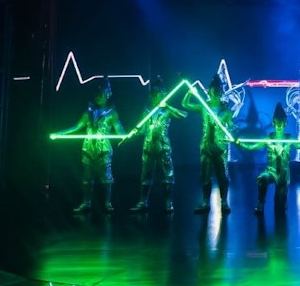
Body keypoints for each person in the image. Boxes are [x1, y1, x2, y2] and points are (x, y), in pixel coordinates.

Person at [55, 77, 126, 214]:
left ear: (107, 94)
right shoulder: (89, 111)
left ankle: (107, 202)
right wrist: (60, 133)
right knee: (87, 179)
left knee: (107, 179)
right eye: (97, 93)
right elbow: (77, 126)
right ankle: (86, 202)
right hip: (88, 148)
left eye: (102, 94)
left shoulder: (112, 113)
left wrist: (128, 135)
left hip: (103, 149)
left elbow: (119, 130)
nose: (99, 96)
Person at [237, 102, 300, 215]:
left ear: (285, 123)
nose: (279, 126)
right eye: (277, 123)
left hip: (283, 175)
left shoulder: (289, 138)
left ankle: (283, 202)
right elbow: (252, 147)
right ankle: (260, 203)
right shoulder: (269, 138)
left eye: (282, 123)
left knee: (279, 208)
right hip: (271, 171)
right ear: (273, 123)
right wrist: (240, 143)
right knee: (262, 179)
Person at [129, 75, 188, 214]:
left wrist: (167, 105)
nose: (157, 97)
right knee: (145, 176)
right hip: (148, 147)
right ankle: (143, 201)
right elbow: (142, 129)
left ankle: (169, 202)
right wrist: (134, 132)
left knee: (168, 176)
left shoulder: (167, 110)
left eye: (160, 94)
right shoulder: (147, 111)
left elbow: (183, 115)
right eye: (155, 95)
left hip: (163, 147)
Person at [183, 75, 235, 215]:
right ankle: (205, 201)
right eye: (213, 89)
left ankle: (224, 201)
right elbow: (185, 105)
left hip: (220, 147)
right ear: (209, 90)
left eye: (217, 89)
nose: (215, 91)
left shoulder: (226, 110)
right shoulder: (203, 106)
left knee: (222, 176)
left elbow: (231, 125)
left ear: (220, 91)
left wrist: (232, 130)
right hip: (206, 146)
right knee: (205, 176)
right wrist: (189, 93)